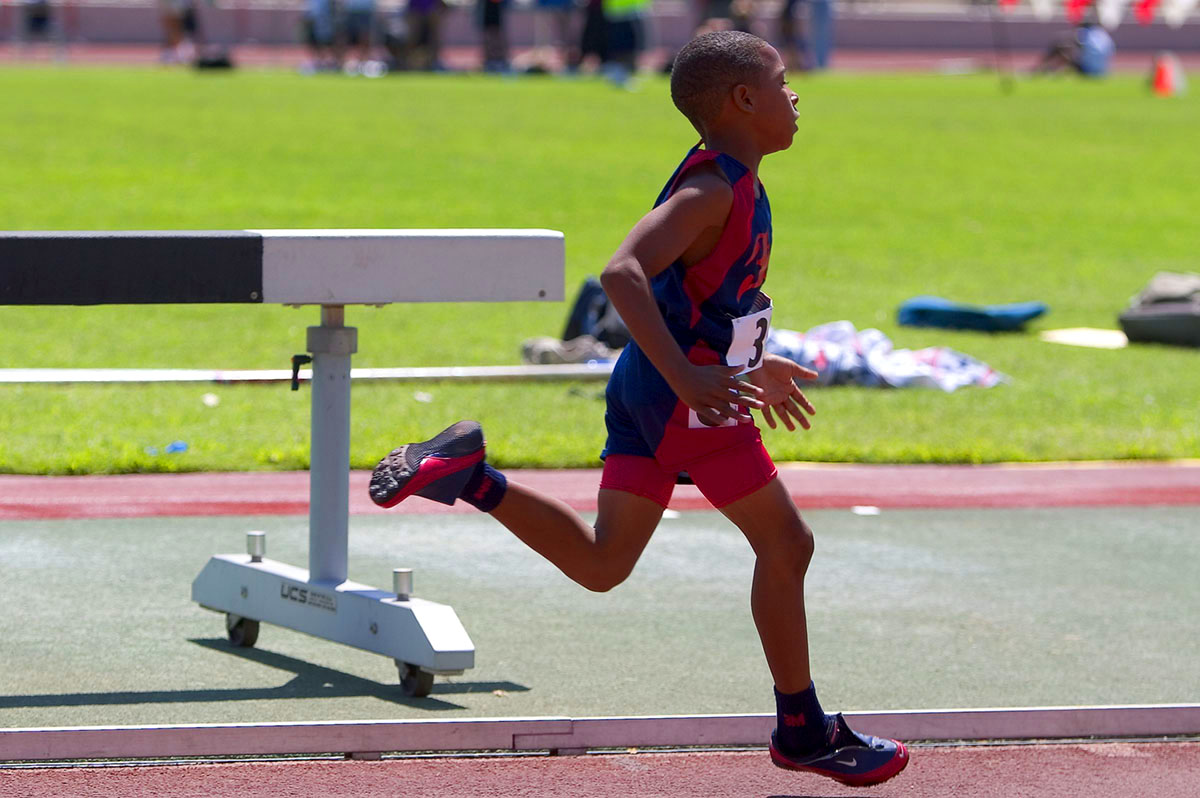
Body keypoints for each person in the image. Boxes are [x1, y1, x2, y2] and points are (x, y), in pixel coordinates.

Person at [368, 30, 909, 788]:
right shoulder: (711, 190)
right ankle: (802, 729)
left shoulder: (733, 182)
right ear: (742, 100)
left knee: (603, 564)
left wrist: (752, 363)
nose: (795, 96)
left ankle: (469, 476)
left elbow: (697, 302)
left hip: (655, 388)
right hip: (681, 399)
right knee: (787, 544)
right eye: (782, 82)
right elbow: (622, 273)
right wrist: (688, 379)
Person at [1033, 20, 1114, 77]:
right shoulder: (1105, 36)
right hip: (1102, 70)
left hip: (1088, 69)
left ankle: (1047, 69)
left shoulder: (1087, 33)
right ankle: (1050, 70)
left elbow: (1075, 41)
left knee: (1063, 50)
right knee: (1068, 52)